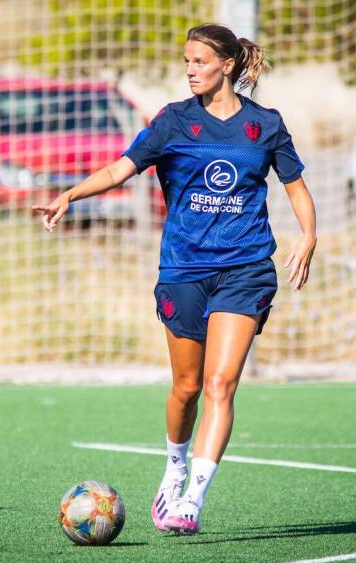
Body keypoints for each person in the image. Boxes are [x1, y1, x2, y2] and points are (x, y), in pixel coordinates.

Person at [33, 23, 316, 535]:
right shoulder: (171, 121)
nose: (189, 70)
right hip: (184, 270)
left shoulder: (265, 124)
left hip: (246, 269)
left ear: (227, 65)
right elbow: (121, 170)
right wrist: (70, 195)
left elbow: (295, 186)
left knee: (221, 384)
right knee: (186, 387)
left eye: (199, 62)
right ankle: (175, 466)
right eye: (185, 61)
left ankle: (192, 502)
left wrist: (309, 235)